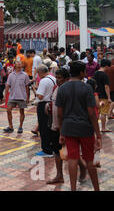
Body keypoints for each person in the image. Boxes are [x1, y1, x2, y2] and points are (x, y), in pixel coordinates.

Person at [56, 61, 102, 191]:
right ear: (82, 73)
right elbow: (92, 113)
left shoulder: (63, 88)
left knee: (73, 158)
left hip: (68, 128)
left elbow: (59, 114)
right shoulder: (87, 88)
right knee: (89, 160)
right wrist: (98, 134)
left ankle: (72, 188)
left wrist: (61, 132)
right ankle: (97, 189)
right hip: (85, 128)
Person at [35, 65, 57, 157]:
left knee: (43, 128)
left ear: (40, 72)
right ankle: (52, 147)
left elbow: (40, 96)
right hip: (51, 104)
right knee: (50, 126)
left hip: (44, 105)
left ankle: (46, 150)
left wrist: (35, 90)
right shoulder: (53, 78)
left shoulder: (43, 81)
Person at [3, 60, 30, 133]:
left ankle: (20, 126)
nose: (19, 64)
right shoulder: (11, 75)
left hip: (22, 96)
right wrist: (5, 96)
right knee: (8, 110)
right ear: (14, 65)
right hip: (12, 97)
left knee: (22, 112)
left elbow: (27, 87)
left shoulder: (25, 75)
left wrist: (28, 98)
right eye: (17, 63)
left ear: (22, 65)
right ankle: (10, 126)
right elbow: (7, 86)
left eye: (20, 63)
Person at [93, 59, 111, 133]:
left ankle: (95, 127)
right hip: (103, 96)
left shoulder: (95, 73)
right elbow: (106, 86)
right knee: (103, 112)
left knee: (97, 112)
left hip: (96, 95)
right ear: (106, 66)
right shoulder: (105, 75)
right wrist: (109, 97)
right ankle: (103, 128)